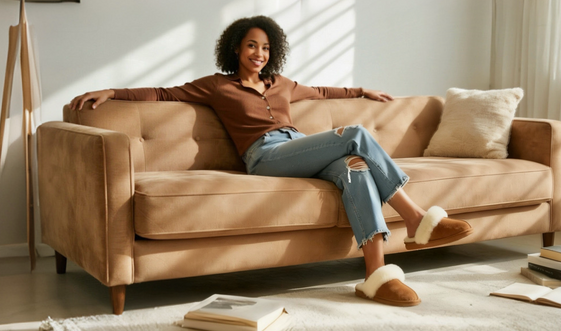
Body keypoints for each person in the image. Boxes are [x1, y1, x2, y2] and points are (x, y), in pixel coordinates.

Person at [70, 15, 472, 307]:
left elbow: (322, 91)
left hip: (299, 147)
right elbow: (162, 93)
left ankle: (375, 276)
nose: (258, 53)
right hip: (265, 156)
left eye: (265, 47)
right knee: (356, 135)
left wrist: (361, 89)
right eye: (251, 46)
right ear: (235, 48)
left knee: (357, 169)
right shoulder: (217, 86)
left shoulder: (282, 84)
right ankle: (416, 218)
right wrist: (112, 91)